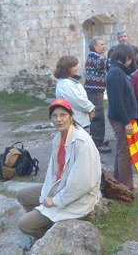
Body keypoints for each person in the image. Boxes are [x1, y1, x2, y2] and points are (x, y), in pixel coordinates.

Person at [16, 98, 101, 239]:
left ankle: (52, 238)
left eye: (63, 115)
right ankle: (49, 226)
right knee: (22, 195)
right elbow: (53, 172)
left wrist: (55, 201)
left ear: (71, 116)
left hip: (77, 196)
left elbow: (82, 183)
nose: (58, 119)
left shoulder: (81, 141)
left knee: (24, 225)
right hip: (60, 187)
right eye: (54, 116)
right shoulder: (58, 138)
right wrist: (46, 195)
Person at [106, 44, 138, 191]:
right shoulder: (117, 73)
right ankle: (127, 188)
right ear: (126, 57)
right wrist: (126, 122)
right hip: (121, 118)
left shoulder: (116, 71)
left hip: (121, 117)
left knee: (121, 151)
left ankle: (118, 183)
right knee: (125, 154)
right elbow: (117, 101)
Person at [84, 37, 111, 153]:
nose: (104, 46)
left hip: (95, 90)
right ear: (95, 46)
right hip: (94, 91)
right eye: (101, 44)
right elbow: (107, 64)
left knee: (97, 115)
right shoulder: (94, 56)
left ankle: (97, 139)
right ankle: (98, 143)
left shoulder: (93, 56)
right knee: (98, 116)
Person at [54, 56, 95, 130]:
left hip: (79, 121)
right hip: (76, 122)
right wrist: (91, 108)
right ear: (66, 68)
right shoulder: (65, 84)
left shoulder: (70, 81)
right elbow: (78, 100)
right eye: (74, 66)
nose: (76, 68)